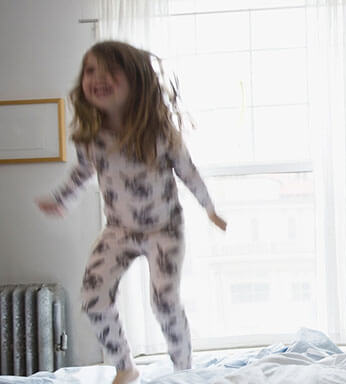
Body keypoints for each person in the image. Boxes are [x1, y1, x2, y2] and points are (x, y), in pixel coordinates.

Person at [36, 41, 227, 384]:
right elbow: (81, 174)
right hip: (119, 230)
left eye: (110, 70)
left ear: (136, 80)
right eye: (90, 70)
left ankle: (183, 369)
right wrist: (61, 200)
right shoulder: (90, 137)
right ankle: (125, 365)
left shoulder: (159, 132)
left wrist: (210, 208)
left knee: (164, 301)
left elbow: (188, 171)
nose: (98, 78)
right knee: (93, 297)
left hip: (164, 229)